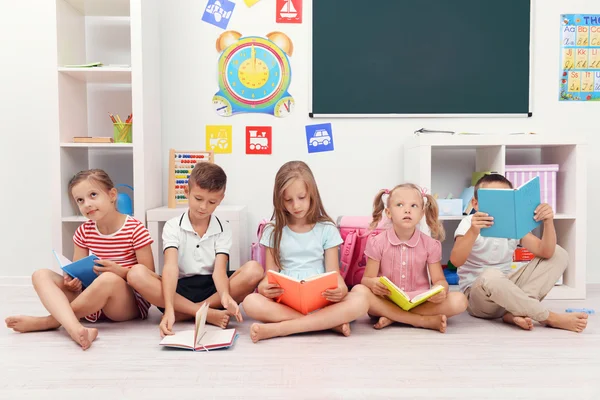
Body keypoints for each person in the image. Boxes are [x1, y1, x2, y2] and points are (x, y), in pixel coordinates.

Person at [5, 169, 155, 350]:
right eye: (80, 200)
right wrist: (72, 282)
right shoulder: (84, 231)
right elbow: (77, 271)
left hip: (124, 304)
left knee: (108, 279)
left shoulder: (135, 229)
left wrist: (120, 272)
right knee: (40, 275)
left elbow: (150, 276)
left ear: (112, 195)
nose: (87, 204)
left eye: (93, 195)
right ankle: (76, 328)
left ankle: (49, 322)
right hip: (91, 301)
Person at [127, 162, 263, 336]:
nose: (203, 207)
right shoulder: (172, 226)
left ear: (220, 199)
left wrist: (225, 297)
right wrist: (168, 308)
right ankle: (204, 313)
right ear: (187, 192)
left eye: (212, 201)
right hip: (179, 290)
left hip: (213, 289)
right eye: (198, 199)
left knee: (254, 269)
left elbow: (219, 272)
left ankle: (191, 312)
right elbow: (170, 268)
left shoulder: (223, 228)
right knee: (136, 273)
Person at [242, 161, 369, 343]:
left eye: (301, 197)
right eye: (288, 200)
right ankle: (328, 323)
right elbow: (269, 276)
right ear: (280, 200)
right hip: (286, 301)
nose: (296, 205)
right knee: (250, 302)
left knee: (362, 297)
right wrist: (263, 288)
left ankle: (281, 328)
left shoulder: (326, 228)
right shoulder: (273, 230)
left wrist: (340, 289)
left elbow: (334, 274)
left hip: (322, 300)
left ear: (312, 194)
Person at [450, 173, 587, 332]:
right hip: (479, 298)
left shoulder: (513, 225)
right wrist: (474, 231)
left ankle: (515, 312)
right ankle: (547, 317)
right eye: (493, 201)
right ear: (476, 204)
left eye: (505, 201)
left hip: (509, 290)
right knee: (490, 275)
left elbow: (546, 252)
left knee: (559, 253)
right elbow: (456, 260)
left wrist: (548, 222)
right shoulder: (468, 224)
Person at [352, 184, 467, 333]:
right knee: (358, 290)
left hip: (419, 301)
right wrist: (373, 284)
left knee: (460, 300)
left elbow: (439, 280)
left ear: (421, 213)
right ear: (388, 212)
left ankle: (394, 317)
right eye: (399, 205)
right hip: (386, 300)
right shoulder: (377, 242)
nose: (407, 210)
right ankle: (419, 320)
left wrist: (441, 291)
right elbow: (366, 279)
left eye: (413, 206)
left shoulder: (430, 244)